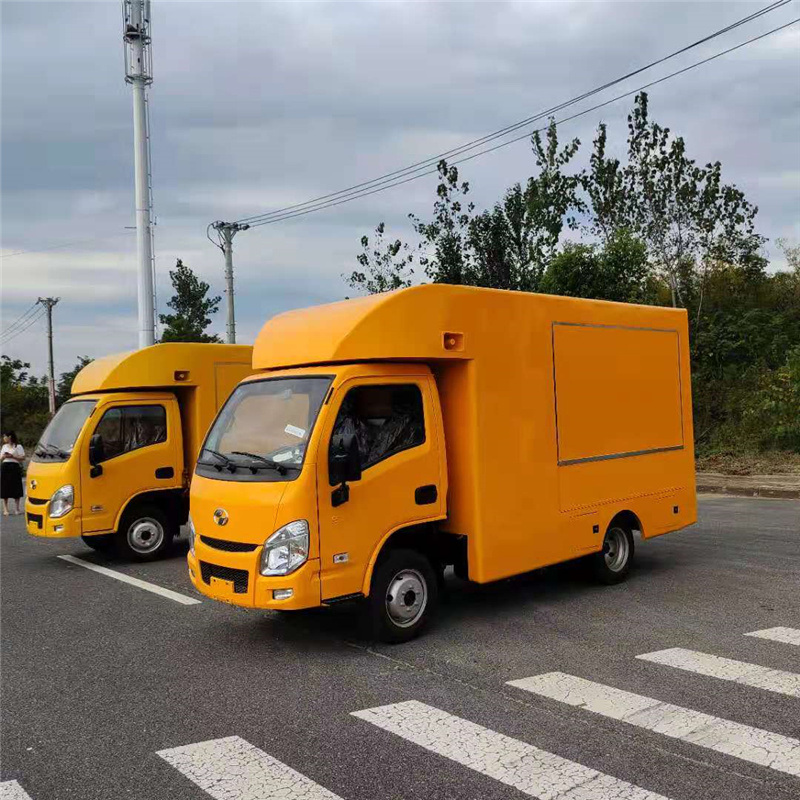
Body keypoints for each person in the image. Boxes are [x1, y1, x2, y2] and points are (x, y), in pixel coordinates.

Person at [1, 431, 25, 516]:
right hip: (5, 466)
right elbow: (1, 458)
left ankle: (17, 508)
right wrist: (4, 456)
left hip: (15, 467)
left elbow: (22, 457)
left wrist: (13, 456)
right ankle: (5, 509)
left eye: (5, 436)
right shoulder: (4, 446)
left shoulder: (18, 446)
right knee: (5, 487)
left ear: (9, 437)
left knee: (16, 486)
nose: (4, 438)